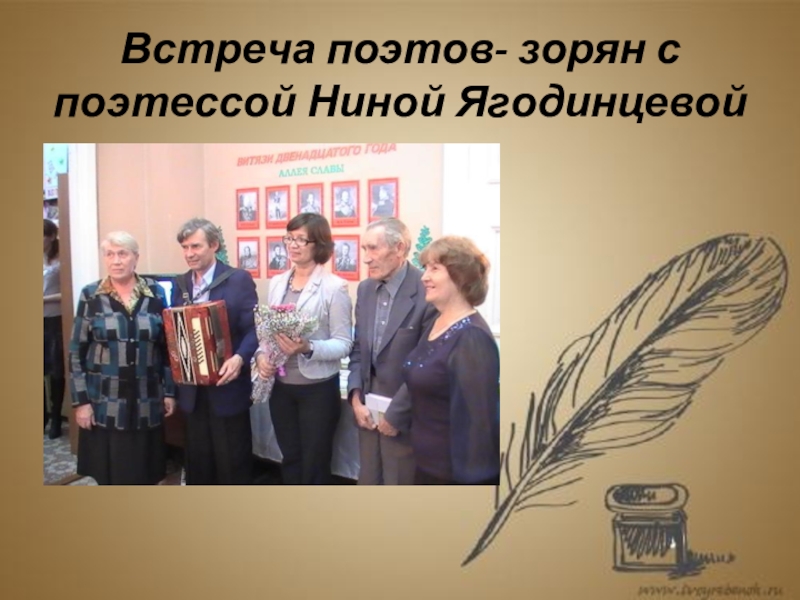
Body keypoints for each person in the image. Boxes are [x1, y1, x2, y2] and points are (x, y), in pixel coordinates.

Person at [68, 231, 175, 485]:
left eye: (123, 254)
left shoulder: (155, 293)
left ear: (135, 257)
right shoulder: (91, 295)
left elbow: (167, 348)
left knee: (145, 473)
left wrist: (169, 392)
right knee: (111, 475)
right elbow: (76, 352)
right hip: (106, 402)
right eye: (110, 254)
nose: (116, 261)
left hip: (146, 400)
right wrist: (81, 402)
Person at [255, 213, 353, 484]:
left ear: (319, 244)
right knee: (290, 458)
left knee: (315, 462)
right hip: (281, 386)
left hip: (317, 389)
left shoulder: (334, 287)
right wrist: (261, 355)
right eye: (289, 238)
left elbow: (344, 343)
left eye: (301, 239)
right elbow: (268, 332)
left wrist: (308, 347)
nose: (293, 245)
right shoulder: (277, 282)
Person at [167, 218, 259, 485]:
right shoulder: (181, 284)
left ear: (214, 245)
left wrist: (240, 358)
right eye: (185, 247)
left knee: (232, 463)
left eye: (196, 246)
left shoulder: (238, 280)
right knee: (198, 463)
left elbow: (255, 329)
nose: (189, 254)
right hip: (192, 392)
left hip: (228, 386)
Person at [402, 236, 500, 485]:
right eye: (425, 268)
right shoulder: (438, 322)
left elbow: (478, 427)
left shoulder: (472, 338)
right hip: (425, 465)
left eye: (434, 269)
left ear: (460, 276)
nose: (424, 277)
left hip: (452, 476)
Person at [347, 218, 437, 485]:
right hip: (367, 412)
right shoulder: (365, 289)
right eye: (364, 249)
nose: (366, 258)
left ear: (399, 248)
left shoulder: (427, 291)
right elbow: (358, 350)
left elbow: (427, 366)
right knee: (369, 483)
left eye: (373, 248)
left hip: (406, 413)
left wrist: (396, 414)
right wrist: (355, 398)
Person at [43, 219, 65, 439]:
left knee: (56, 370)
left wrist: (43, 299)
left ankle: (56, 417)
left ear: (50, 236)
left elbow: (67, 291)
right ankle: (42, 415)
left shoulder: (60, 259)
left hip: (55, 318)